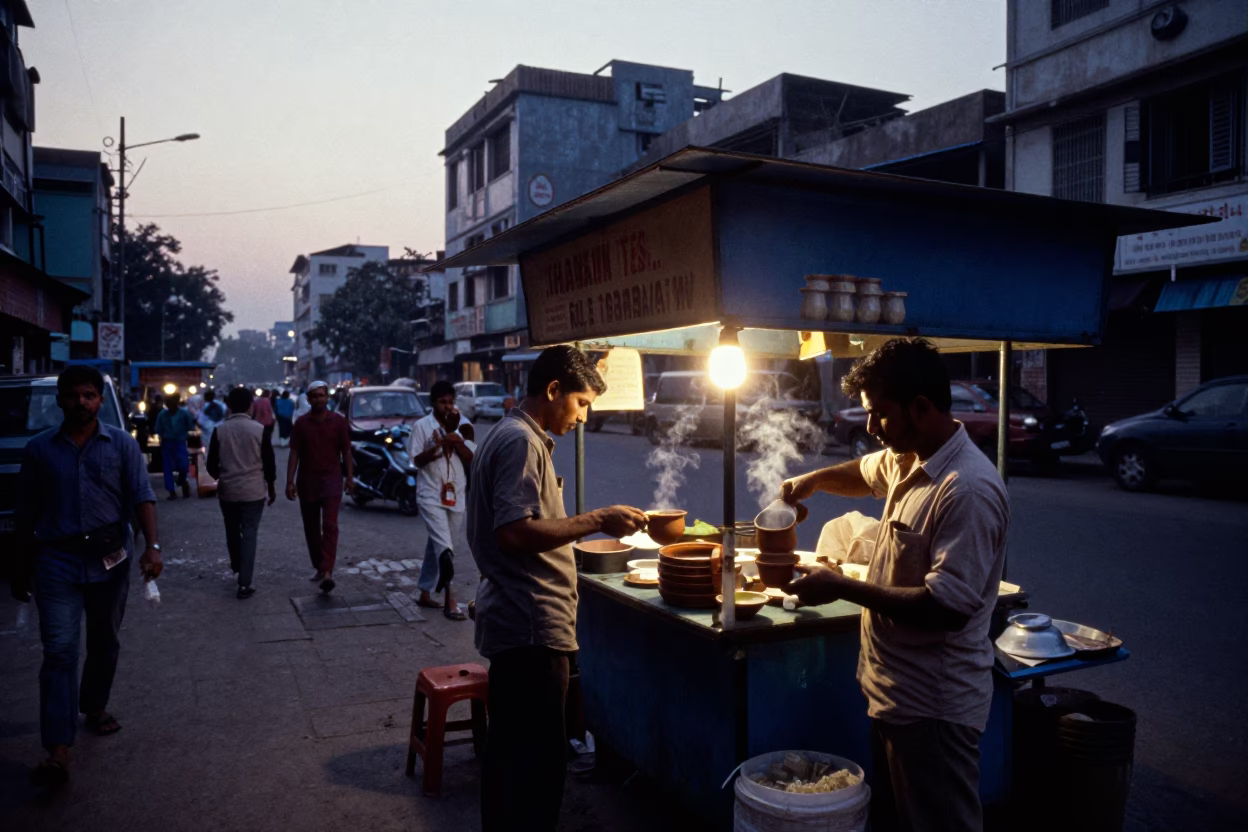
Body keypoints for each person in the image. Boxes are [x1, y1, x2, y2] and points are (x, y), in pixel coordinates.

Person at [780, 338, 1010, 832]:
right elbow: (863, 474)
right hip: (893, 695)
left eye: (880, 415)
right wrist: (813, 481)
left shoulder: (965, 489)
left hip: (934, 708)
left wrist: (840, 586)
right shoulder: (910, 456)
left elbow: (945, 608)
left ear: (921, 407)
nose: (869, 428)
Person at [467, 345, 647, 831]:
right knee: (536, 768)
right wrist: (595, 520)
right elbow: (514, 532)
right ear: (553, 390)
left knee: (512, 761)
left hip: (521, 623)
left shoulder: (514, 435)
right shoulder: (519, 441)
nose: (584, 416)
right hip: (530, 627)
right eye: (582, 402)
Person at [11, 365, 163, 787]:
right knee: (59, 651)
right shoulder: (39, 450)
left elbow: (142, 497)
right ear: (60, 400)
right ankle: (57, 748)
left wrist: (152, 546)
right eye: (74, 395)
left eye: (89, 395)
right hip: (56, 561)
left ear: (99, 400)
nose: (82, 402)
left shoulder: (122, 446)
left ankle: (94, 706)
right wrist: (19, 566)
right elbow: (25, 514)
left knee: (104, 640)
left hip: (110, 559)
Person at [408, 380, 474, 620]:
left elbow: (471, 458)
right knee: (445, 551)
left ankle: (425, 591)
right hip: (430, 493)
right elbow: (416, 460)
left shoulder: (462, 423)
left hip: (456, 492)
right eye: (442, 402)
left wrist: (455, 441)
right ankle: (451, 602)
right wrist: (437, 446)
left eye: (450, 402)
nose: (447, 406)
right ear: (433, 403)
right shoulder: (421, 426)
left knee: (440, 544)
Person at [208, 387, 277, 599]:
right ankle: (245, 582)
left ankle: (237, 565)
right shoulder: (259, 430)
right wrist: (271, 487)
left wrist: (224, 477)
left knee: (232, 531)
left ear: (228, 404)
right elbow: (269, 463)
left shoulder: (220, 431)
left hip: (228, 491)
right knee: (249, 534)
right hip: (253, 491)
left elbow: (211, 465)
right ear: (250, 405)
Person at [285, 381, 353, 594]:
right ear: (308, 398)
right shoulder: (301, 424)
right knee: (311, 529)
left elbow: (346, 452)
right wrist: (289, 481)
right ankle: (319, 566)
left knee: (330, 526)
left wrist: (349, 477)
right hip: (308, 482)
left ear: (327, 398)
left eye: (322, 396)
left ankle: (327, 572)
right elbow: (294, 452)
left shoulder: (339, 422)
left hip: (332, 481)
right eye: (314, 396)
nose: (318, 399)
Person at [153, 393, 195, 500]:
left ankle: (182, 481)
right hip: (167, 443)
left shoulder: (184, 413)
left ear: (177, 402)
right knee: (168, 468)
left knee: (184, 465)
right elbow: (158, 429)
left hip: (180, 442)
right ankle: (171, 491)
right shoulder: (162, 414)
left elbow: (191, 426)